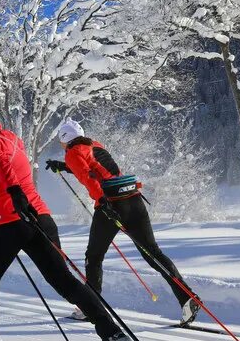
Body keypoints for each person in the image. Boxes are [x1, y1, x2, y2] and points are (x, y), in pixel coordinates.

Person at [0, 102, 132, 341]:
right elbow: (9, 165)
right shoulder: (11, 138)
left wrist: (14, 192)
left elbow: (1, 163)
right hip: (40, 216)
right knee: (65, 282)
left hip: (9, 220)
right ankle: (114, 336)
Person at [45, 118, 201, 326]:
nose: (61, 145)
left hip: (111, 205)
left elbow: (89, 177)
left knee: (94, 256)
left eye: (61, 141)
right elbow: (96, 168)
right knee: (153, 253)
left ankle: (91, 307)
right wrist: (64, 167)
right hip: (133, 199)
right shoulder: (94, 144)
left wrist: (103, 203)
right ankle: (187, 297)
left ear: (66, 139)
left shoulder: (72, 152)